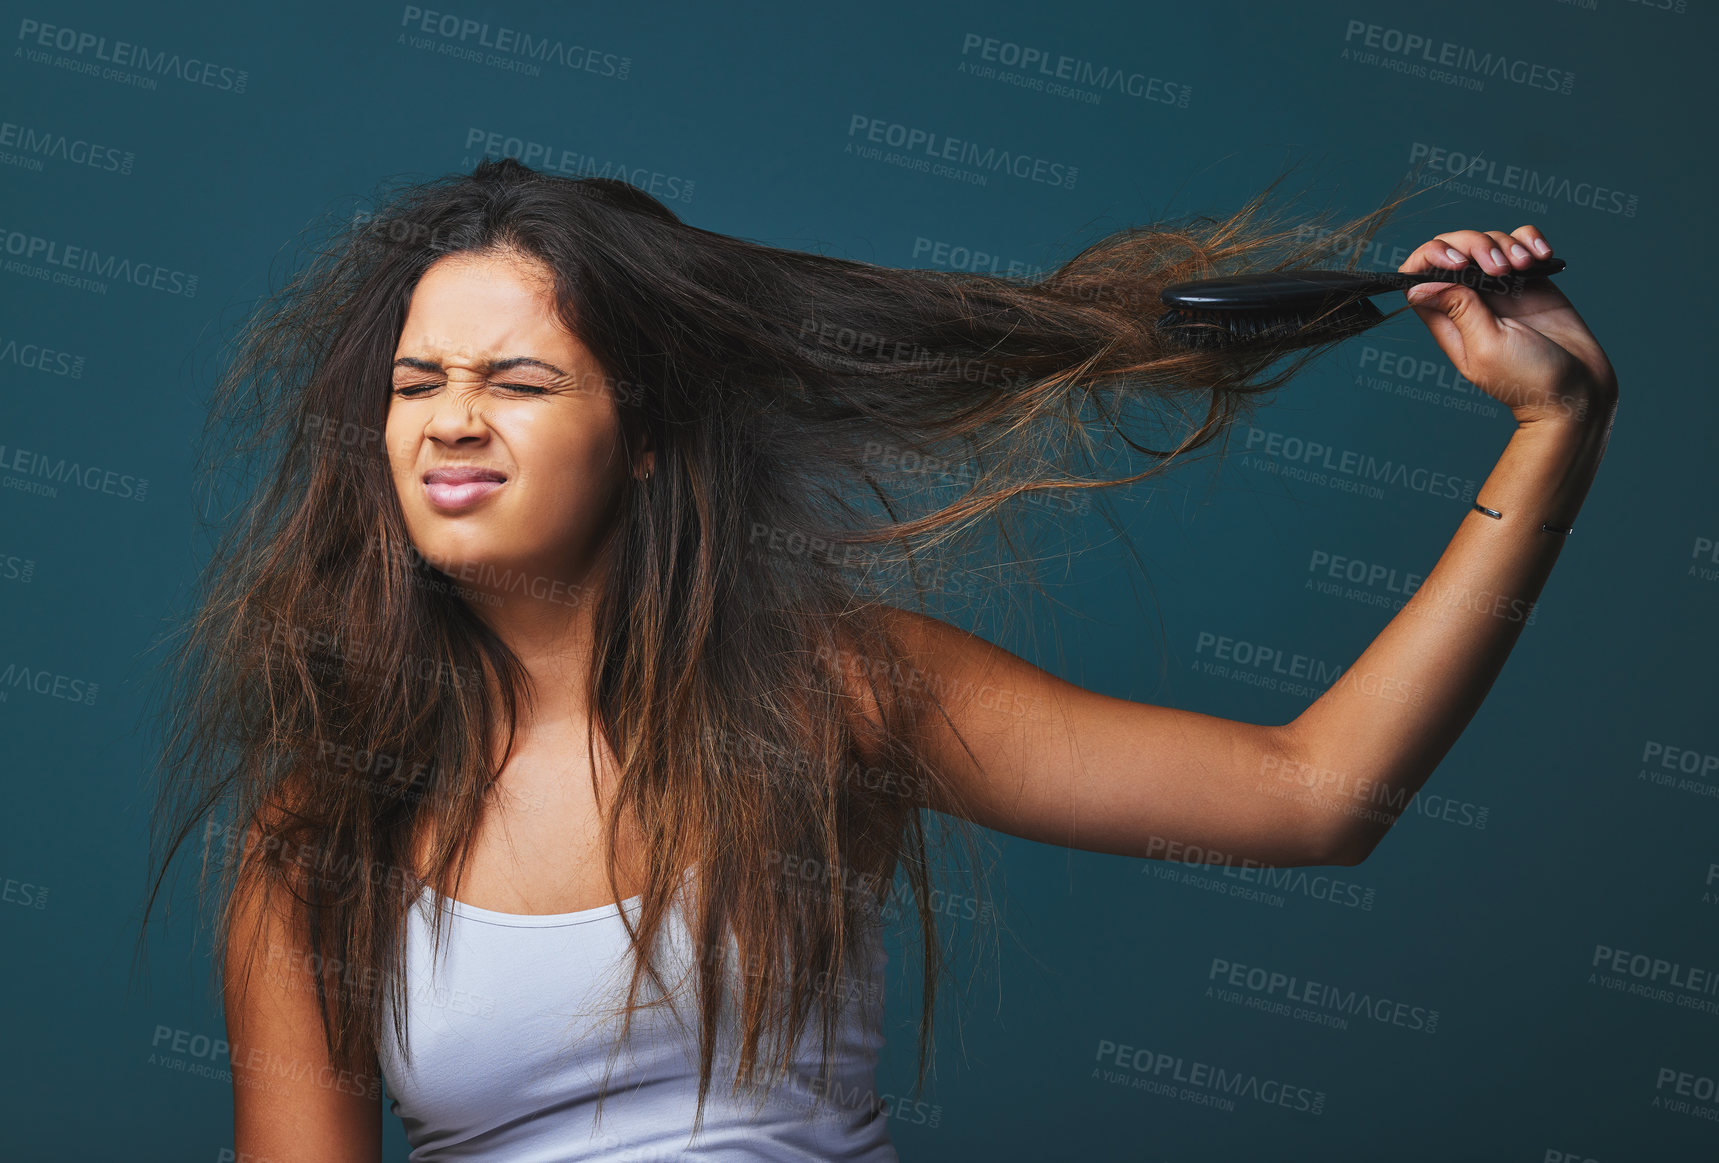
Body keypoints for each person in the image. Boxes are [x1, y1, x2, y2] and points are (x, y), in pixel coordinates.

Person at [139, 157, 1616, 1160]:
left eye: (518, 379)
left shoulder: (831, 693)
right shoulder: (317, 833)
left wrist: (1552, 433)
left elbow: (1315, 796)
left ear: (648, 438)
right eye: (419, 383)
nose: (451, 419)